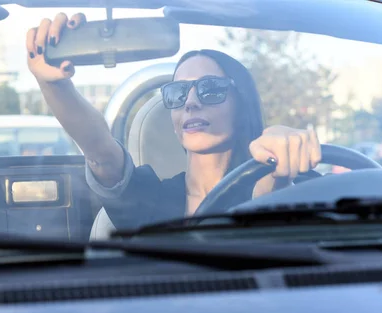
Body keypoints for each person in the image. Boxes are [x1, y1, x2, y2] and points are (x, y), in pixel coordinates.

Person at [26, 13, 322, 230]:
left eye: (210, 89)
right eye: (177, 93)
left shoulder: (300, 182)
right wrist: (54, 84)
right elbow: (100, 152)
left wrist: (279, 168)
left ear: (241, 102)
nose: (191, 102)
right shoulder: (150, 199)